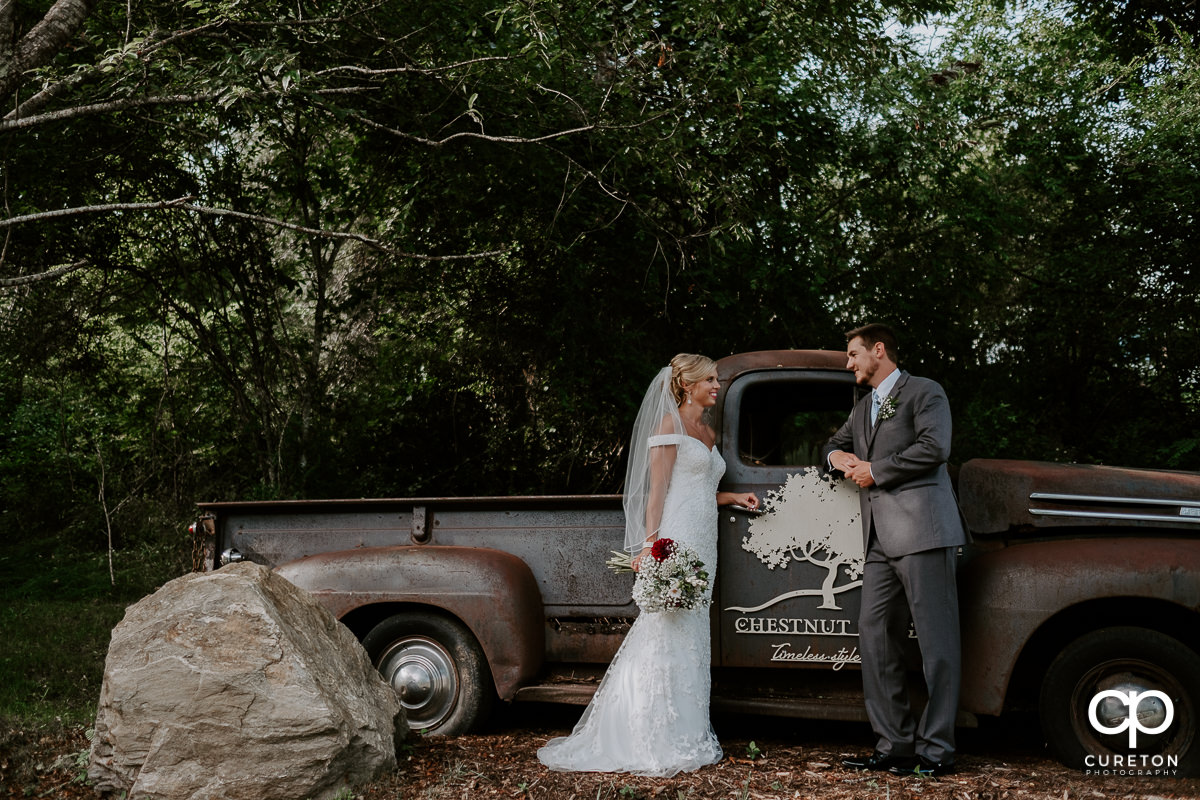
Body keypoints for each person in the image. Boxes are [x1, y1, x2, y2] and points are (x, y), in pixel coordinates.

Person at [537, 353, 759, 777]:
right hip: (675, 541)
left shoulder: (707, 431)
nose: (717, 386)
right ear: (687, 386)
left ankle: (687, 731)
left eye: (716, 379)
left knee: (692, 631)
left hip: (703, 542)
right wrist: (650, 548)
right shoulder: (668, 426)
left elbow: (694, 491)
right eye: (710, 380)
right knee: (664, 629)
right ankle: (648, 732)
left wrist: (731, 498)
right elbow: (656, 495)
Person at [822, 324, 967, 778]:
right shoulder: (863, 406)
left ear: (878, 351)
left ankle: (937, 749)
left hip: (924, 531)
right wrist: (837, 459)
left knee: (937, 644)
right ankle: (894, 744)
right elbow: (833, 444)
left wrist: (874, 470)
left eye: (852, 354)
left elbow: (935, 447)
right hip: (878, 541)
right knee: (874, 635)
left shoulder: (925, 392)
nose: (849, 364)